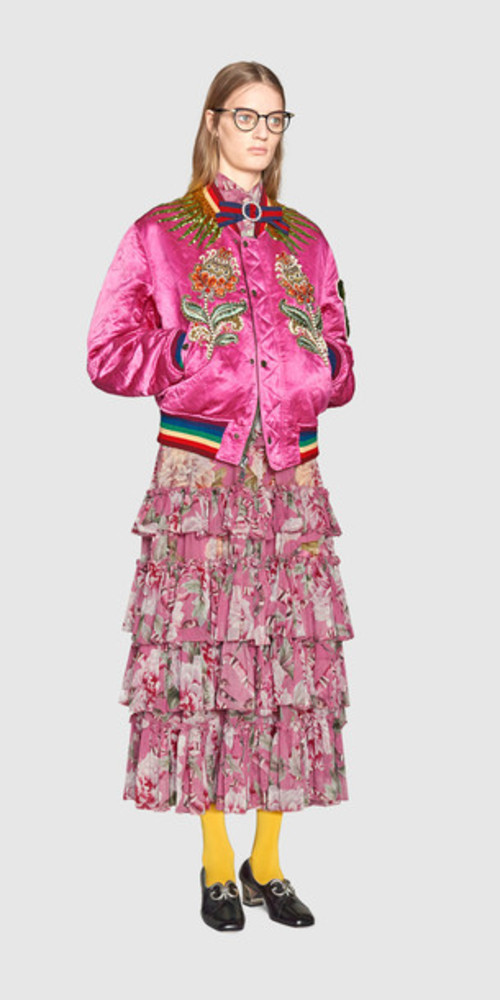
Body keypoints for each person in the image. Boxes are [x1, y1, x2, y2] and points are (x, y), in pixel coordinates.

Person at [86, 60, 355, 932]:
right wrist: (183, 355)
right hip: (200, 478)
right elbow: (105, 354)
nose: (262, 133)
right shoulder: (159, 234)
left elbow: (343, 352)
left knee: (288, 668)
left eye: (275, 119)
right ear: (211, 122)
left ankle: (266, 861)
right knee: (203, 663)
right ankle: (214, 860)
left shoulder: (307, 239)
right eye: (246, 116)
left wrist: (324, 369)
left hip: (291, 477)